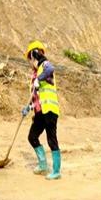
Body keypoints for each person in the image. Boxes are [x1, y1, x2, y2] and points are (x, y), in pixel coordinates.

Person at [22, 40, 62, 180]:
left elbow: (50, 69)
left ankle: (56, 171)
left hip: (50, 110)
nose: (30, 61)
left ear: (34, 54)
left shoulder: (44, 65)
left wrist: (39, 78)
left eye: (30, 57)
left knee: (51, 140)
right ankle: (43, 165)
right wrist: (29, 107)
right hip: (40, 111)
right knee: (32, 137)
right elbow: (37, 96)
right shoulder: (36, 73)